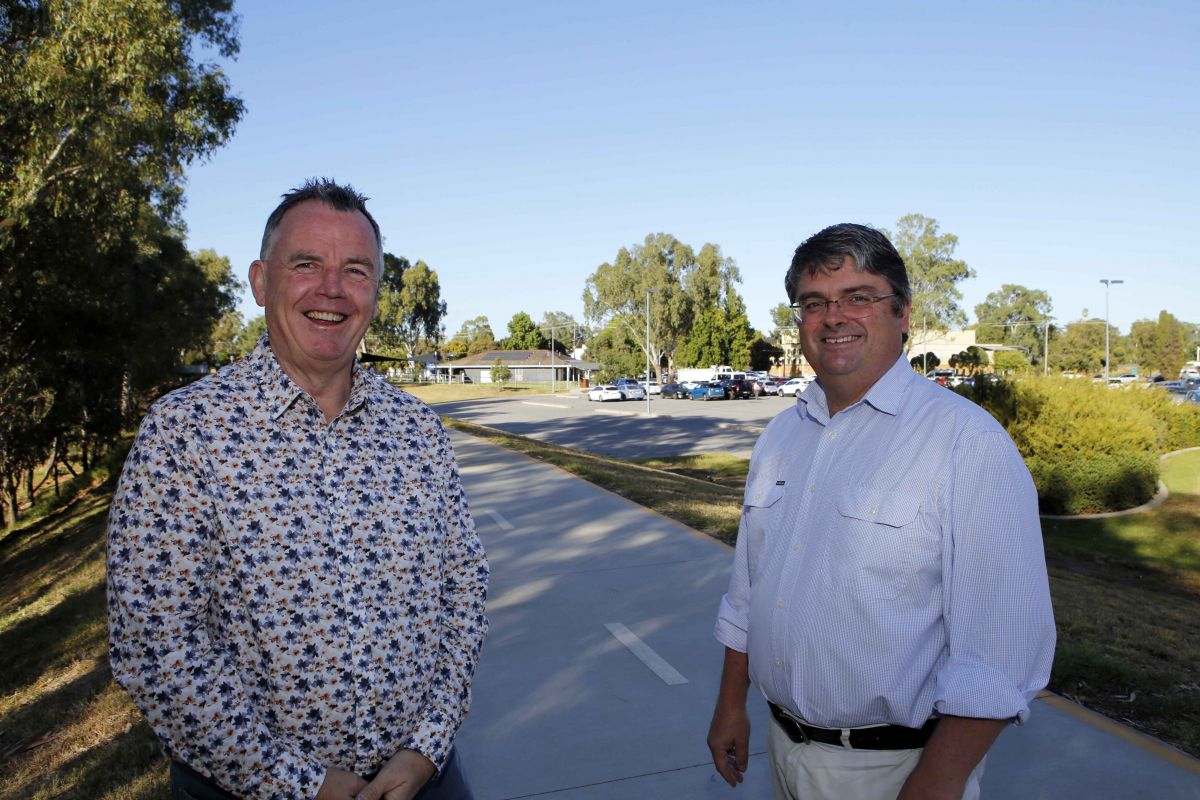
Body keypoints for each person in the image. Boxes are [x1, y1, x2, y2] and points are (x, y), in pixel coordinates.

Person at [107, 179, 489, 800]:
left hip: (426, 782)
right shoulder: (186, 435)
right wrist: (295, 782)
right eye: (306, 264)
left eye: (356, 270)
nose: (332, 289)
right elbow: (155, 644)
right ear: (261, 282)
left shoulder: (418, 429)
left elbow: (464, 589)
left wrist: (428, 744)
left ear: (375, 293)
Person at [706, 223, 1055, 800]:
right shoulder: (781, 436)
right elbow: (748, 592)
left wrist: (936, 784)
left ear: (903, 314)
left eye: (859, 298)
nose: (834, 317)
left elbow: (1004, 650)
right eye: (815, 303)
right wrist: (729, 706)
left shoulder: (964, 441)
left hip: (896, 772)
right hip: (784, 750)